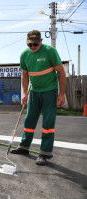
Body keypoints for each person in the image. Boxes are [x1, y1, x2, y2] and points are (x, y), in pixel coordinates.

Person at [10, 30, 66, 166]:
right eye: (30, 45)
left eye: (35, 44)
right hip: (34, 92)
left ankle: (45, 153)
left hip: (49, 91)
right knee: (29, 120)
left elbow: (61, 72)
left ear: (41, 41)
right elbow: (24, 74)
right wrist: (25, 93)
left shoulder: (50, 51)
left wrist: (61, 93)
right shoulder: (25, 54)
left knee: (48, 123)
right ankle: (24, 147)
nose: (33, 47)